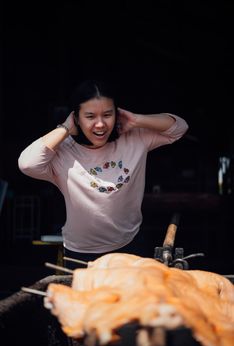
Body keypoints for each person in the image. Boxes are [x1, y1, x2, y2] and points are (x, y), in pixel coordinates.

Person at [18, 79, 189, 269]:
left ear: (117, 114)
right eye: (90, 116)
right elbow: (27, 164)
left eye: (107, 114)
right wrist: (65, 128)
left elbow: (179, 128)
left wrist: (136, 119)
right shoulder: (63, 152)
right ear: (76, 118)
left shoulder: (135, 137)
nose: (100, 124)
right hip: (80, 253)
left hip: (130, 245)